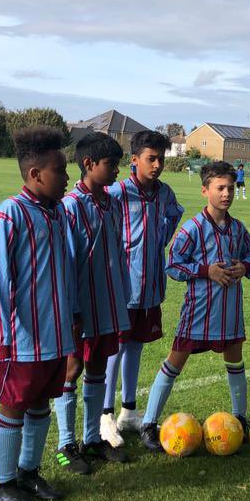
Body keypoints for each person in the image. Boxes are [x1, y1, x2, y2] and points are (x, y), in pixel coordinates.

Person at [0, 126, 73, 501]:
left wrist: (72, 325)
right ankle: (3, 483)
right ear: (35, 174)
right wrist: (2, 339)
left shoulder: (56, 214)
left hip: (54, 333)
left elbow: (63, 271)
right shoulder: (10, 215)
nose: (66, 177)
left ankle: (29, 471)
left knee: (40, 404)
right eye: (59, 169)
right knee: (14, 406)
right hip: (22, 337)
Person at [139, 161, 250, 450]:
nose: (226, 193)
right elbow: (173, 265)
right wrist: (207, 271)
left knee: (235, 363)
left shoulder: (238, 229)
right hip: (199, 314)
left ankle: (239, 418)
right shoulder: (192, 229)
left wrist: (244, 265)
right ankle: (148, 423)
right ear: (206, 190)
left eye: (230, 187)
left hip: (230, 313)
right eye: (220, 188)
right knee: (173, 364)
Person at [55, 132, 132, 475]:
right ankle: (64, 444)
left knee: (99, 367)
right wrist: (71, 310)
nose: (117, 170)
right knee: (71, 369)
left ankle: (92, 439)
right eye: (111, 164)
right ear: (88, 164)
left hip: (107, 305)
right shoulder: (71, 207)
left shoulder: (112, 203)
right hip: (81, 309)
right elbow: (67, 263)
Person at [104, 130, 184, 441]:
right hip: (123, 287)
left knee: (136, 346)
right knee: (116, 348)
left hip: (150, 287)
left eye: (161, 159)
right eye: (151, 159)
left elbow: (173, 217)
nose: (157, 165)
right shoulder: (119, 193)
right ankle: (104, 415)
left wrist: (162, 237)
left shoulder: (164, 193)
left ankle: (128, 412)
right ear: (134, 160)